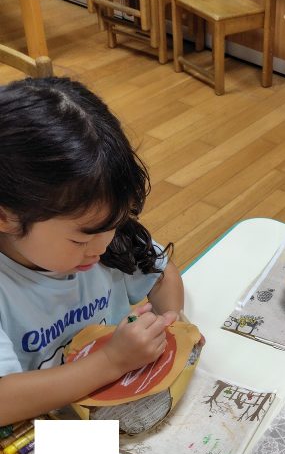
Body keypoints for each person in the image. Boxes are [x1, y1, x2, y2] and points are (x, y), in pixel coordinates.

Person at [0, 76, 184, 425]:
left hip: (116, 404)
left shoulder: (99, 235)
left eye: (112, 226)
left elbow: (161, 274)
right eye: (81, 241)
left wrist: (171, 322)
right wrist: (112, 361)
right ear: (6, 217)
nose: (101, 249)